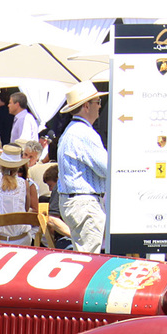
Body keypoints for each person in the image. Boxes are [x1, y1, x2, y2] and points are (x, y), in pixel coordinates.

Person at [54, 82, 107, 254]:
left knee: (85, 255)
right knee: (89, 259)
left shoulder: (71, 130)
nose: (100, 107)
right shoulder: (84, 133)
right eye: (98, 102)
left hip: (76, 201)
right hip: (85, 202)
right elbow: (106, 168)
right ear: (86, 106)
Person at [0, 144, 38, 244]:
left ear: (0, 164)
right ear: (18, 166)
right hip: (22, 241)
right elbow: (25, 209)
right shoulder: (25, 184)